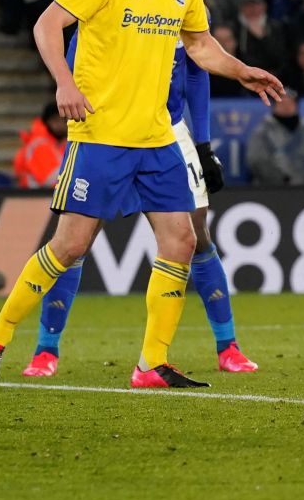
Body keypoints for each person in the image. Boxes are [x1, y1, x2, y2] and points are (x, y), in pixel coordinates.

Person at [0, 0, 284, 393]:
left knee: (181, 239)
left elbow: (200, 48)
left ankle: (151, 364)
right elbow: (47, 26)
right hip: (101, 134)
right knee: (69, 247)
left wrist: (242, 70)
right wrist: (63, 83)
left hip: (157, 136)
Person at [20, 20, 259, 377]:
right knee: (75, 241)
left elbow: (196, 73)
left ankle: (228, 347)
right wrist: (78, 137)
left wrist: (204, 144)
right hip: (108, 132)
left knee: (194, 236)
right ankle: (45, 350)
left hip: (168, 133)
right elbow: (74, 69)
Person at [246, 88, 304, 185]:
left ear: (296, 105)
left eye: (290, 103)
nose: (286, 106)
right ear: (274, 105)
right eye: (281, 103)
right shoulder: (262, 132)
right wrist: (283, 183)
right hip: (271, 190)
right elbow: (257, 161)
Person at [13, 103, 67, 189]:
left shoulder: (59, 142)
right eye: (56, 120)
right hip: (31, 197)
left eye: (63, 120)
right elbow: (49, 180)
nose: (61, 124)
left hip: (45, 196)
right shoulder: (38, 144)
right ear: (47, 121)